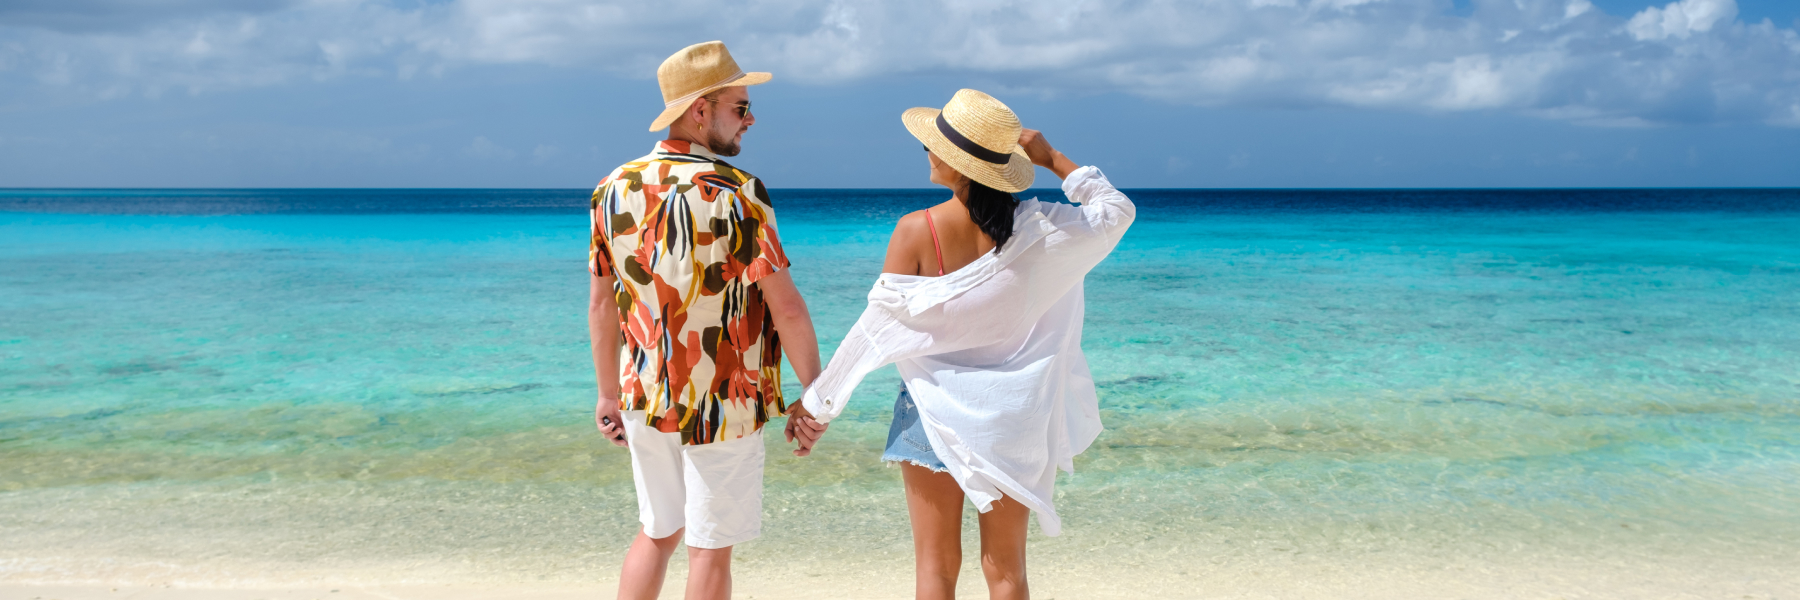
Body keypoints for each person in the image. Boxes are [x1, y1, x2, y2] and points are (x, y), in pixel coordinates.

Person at [794, 89, 1136, 600]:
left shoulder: (917, 230)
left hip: (929, 414)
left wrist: (819, 405)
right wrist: (1051, 159)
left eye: (934, 147)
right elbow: (1115, 211)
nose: (927, 154)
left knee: (935, 572)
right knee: (1007, 574)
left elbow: (874, 331)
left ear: (956, 163)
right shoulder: (1045, 228)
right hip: (1013, 421)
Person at [587, 40, 828, 600]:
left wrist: (607, 394)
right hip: (727, 398)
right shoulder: (738, 192)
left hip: (643, 395)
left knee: (657, 532)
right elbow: (785, 306)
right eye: (740, 107)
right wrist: (814, 392)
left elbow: (602, 304)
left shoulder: (612, 188)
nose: (750, 119)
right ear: (701, 111)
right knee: (710, 548)